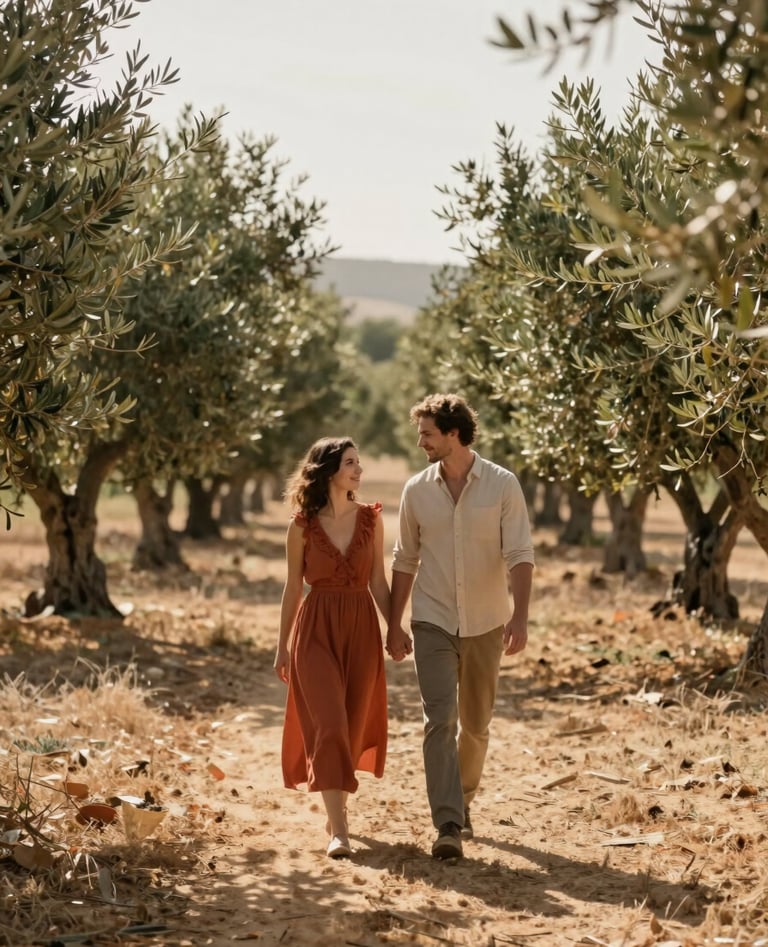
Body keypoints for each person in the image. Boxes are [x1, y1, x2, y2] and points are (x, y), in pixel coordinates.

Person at [386, 393, 534, 860]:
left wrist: (520, 616)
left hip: (487, 621)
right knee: (439, 720)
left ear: (453, 433)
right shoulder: (416, 490)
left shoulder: (502, 485)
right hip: (432, 619)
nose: (420, 441)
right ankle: (447, 823)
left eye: (427, 433)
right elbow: (404, 559)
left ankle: (465, 799)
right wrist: (393, 622)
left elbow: (520, 554)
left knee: (476, 726)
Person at [275, 436, 404, 859]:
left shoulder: (372, 519)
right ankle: (340, 831)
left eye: (359, 462)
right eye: (350, 463)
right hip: (315, 631)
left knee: (348, 727)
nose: (359, 470)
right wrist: (282, 647)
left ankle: (336, 810)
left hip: (361, 628)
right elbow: (294, 588)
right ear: (329, 470)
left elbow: (379, 583)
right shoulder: (302, 525)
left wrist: (395, 627)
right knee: (328, 724)